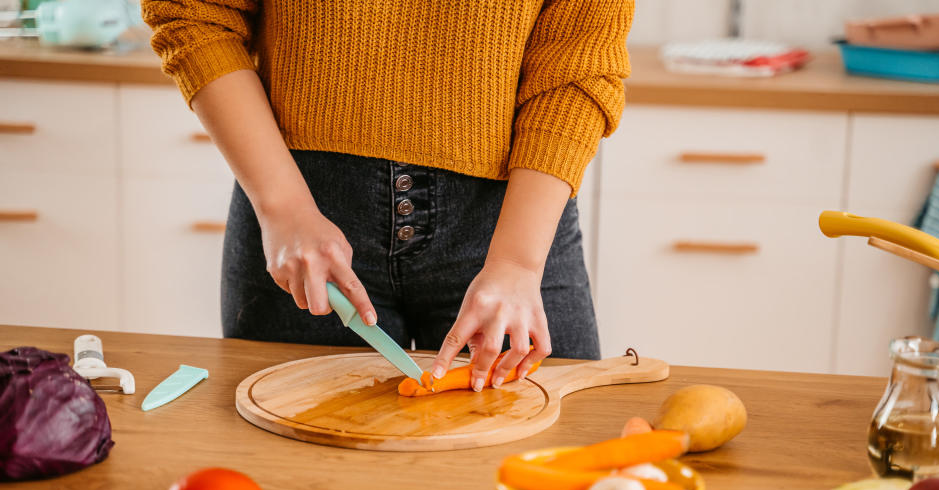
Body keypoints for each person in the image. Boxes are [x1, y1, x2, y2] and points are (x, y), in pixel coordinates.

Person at [142, 1, 632, 391]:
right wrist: (284, 206)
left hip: (512, 224)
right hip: (301, 212)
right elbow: (195, 13)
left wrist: (519, 262)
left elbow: (580, 59)